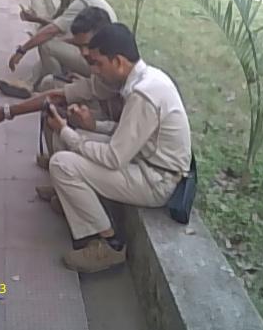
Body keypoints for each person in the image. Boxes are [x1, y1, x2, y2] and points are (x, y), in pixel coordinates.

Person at [45, 23, 192, 273]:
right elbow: (128, 133)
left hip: (157, 180)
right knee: (73, 139)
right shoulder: (147, 79)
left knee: (62, 163)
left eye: (98, 64)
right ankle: (74, 198)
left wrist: (66, 132)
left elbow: (114, 157)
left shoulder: (144, 94)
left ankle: (109, 244)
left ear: (119, 62)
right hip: (144, 161)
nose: (95, 71)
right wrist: (91, 126)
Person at [0, 7, 121, 169]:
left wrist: (85, 127)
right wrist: (5, 112)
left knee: (63, 135)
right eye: (79, 47)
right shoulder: (102, 71)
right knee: (52, 109)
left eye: (87, 46)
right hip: (112, 130)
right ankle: (58, 164)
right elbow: (56, 96)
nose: (83, 53)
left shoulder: (127, 80)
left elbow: (121, 148)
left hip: (122, 150)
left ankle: (65, 169)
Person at [0, 0, 117, 99]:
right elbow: (55, 23)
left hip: (98, 61)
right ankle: (29, 83)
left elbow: (52, 30)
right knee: (47, 39)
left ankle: (50, 84)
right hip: (95, 53)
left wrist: (22, 50)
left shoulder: (80, 3)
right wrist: (35, 19)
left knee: (46, 44)